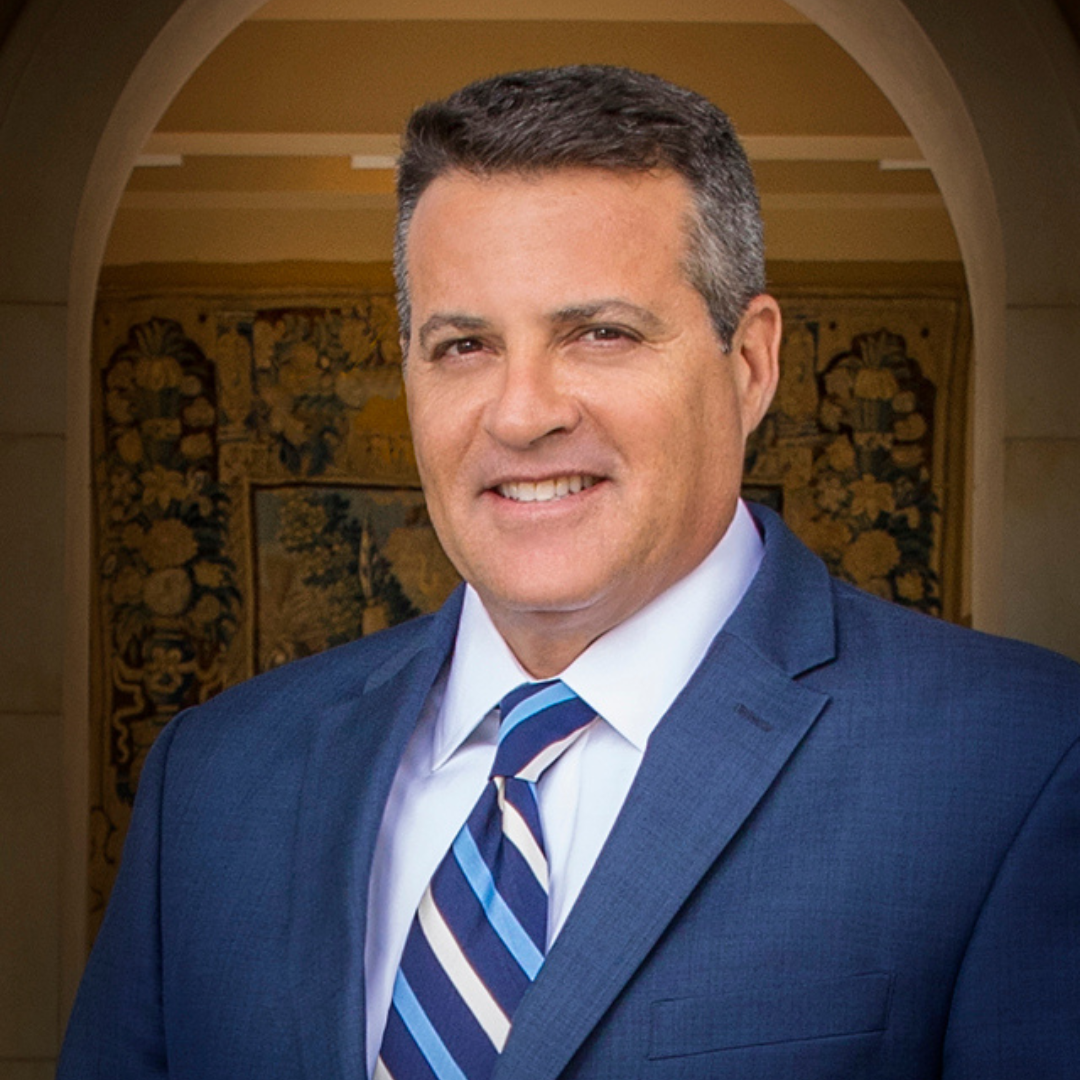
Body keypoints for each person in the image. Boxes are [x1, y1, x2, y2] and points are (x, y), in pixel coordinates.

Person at [59, 65, 1079, 1080]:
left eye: (600, 334)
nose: (521, 414)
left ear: (750, 364)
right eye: (465, 345)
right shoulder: (214, 781)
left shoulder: (1015, 763)